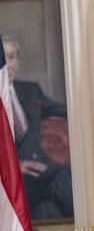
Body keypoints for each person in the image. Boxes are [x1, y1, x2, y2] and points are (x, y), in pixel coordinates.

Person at [2, 36, 74, 220]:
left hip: (40, 175)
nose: (9, 64)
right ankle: (91, 224)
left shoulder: (30, 90)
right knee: (61, 175)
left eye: (12, 57)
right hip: (13, 182)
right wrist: (14, 167)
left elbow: (67, 111)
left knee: (48, 210)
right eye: (3, 58)